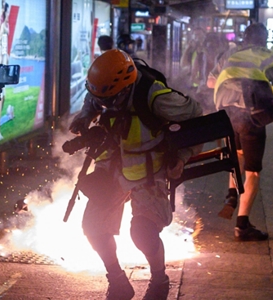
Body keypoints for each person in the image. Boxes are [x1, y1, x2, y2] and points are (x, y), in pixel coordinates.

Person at [69, 49, 202, 300]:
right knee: (92, 228)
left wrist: (181, 158)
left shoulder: (156, 97)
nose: (105, 105)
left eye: (111, 98)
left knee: (142, 232)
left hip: (149, 173)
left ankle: (159, 282)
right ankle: (118, 282)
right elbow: (94, 99)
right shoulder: (104, 89)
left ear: (125, 86)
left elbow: (197, 120)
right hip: (111, 169)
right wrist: (85, 116)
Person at [207, 23, 273, 241]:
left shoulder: (230, 53)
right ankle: (242, 226)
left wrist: (234, 85)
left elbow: (210, 82)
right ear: (265, 40)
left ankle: (231, 195)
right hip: (250, 117)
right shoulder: (271, 58)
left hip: (225, 115)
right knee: (253, 172)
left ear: (244, 39)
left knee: (238, 156)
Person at [0, 0, 10, 141]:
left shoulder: (6, 26)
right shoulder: (1, 29)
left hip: (4, 75)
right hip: (0, 75)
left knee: (2, 101)